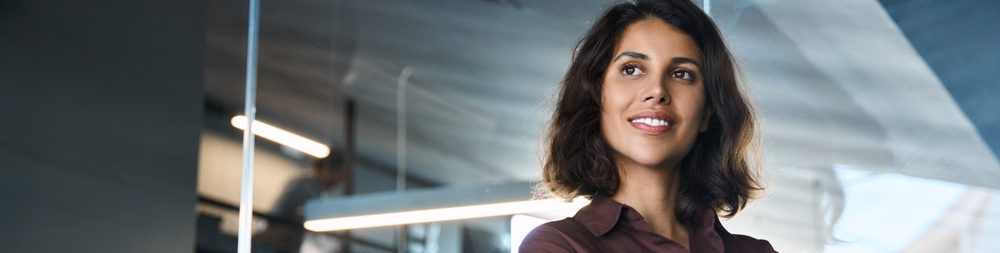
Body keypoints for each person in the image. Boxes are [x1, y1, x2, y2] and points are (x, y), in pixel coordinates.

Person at [519, 0, 775, 252]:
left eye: (682, 74)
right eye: (631, 69)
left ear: (707, 112)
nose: (657, 91)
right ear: (595, 97)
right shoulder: (558, 245)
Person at [263, 150, 347, 253]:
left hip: (289, 243)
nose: (340, 179)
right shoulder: (305, 186)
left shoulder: (317, 192)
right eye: (340, 173)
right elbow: (277, 214)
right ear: (327, 169)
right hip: (279, 241)